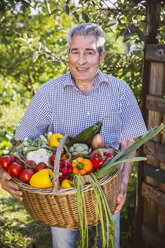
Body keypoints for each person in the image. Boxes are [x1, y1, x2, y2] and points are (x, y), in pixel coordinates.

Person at [0, 23, 147, 248]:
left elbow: (128, 140)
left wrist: (124, 183)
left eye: (89, 52)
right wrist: (6, 173)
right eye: (75, 51)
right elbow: (24, 140)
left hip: (107, 191)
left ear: (102, 56)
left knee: (107, 245)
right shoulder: (48, 93)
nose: (81, 60)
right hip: (61, 194)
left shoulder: (120, 90)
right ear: (67, 54)